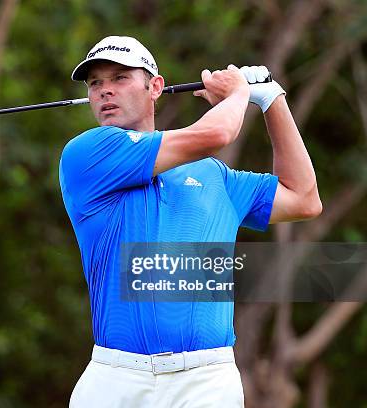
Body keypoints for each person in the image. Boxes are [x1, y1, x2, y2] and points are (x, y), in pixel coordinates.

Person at [59, 36, 322, 407]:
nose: (105, 91)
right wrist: (238, 94)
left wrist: (272, 101)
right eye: (95, 83)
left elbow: (304, 198)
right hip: (116, 377)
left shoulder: (215, 176)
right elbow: (216, 133)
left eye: (119, 78)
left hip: (207, 381)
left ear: (155, 87)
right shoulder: (88, 153)